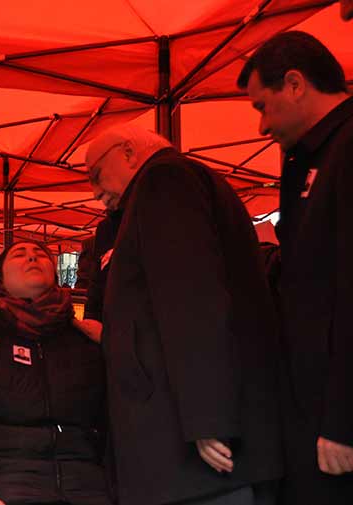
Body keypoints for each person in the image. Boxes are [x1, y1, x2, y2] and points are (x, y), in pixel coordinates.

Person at [84, 124, 282, 505]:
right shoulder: (175, 184)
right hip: (196, 454)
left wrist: (209, 419)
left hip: (199, 460)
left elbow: (193, 300)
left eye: (97, 174)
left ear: (128, 153)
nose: (95, 191)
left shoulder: (164, 180)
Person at [237, 31, 353, 504]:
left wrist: (343, 421)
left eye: (263, 106)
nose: (262, 126)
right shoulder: (306, 156)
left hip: (334, 421)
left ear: (295, 83)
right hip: (307, 410)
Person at [0, 240, 110, 505]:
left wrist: (113, 344)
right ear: (1, 277)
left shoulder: (82, 340)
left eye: (40, 254)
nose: (32, 258)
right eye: (20, 254)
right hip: (5, 487)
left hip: (87, 486)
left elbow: (112, 422)